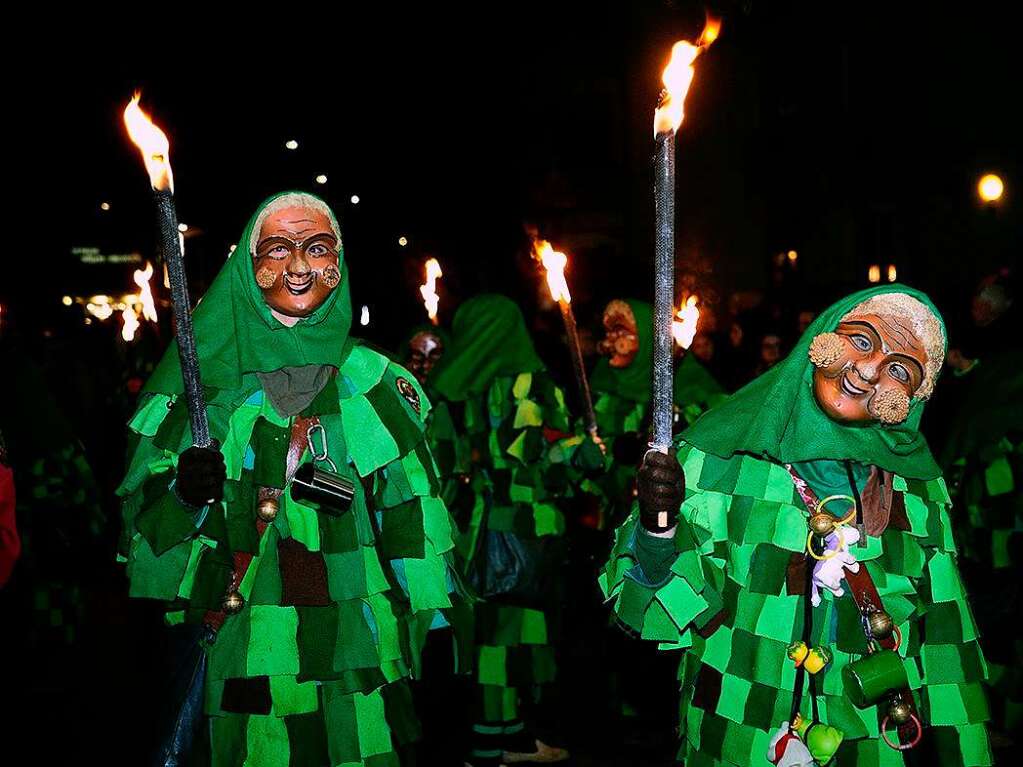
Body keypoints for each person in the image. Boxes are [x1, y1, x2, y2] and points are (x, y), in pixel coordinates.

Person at [117, 192, 463, 765]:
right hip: (246, 632)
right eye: (277, 249)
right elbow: (147, 531)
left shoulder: (378, 380)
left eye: (317, 247)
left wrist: (437, 619)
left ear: (339, 262)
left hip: (361, 641)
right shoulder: (202, 384)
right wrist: (185, 492)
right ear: (249, 267)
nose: (299, 266)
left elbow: (412, 512)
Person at [602, 285, 992, 766]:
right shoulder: (718, 460)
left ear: (914, 398)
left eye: (899, 370)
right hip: (737, 736)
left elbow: (949, 653)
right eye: (864, 341)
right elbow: (650, 616)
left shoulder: (918, 492)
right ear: (823, 336)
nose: (870, 371)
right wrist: (657, 533)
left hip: (871, 740)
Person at [431, 295, 581, 766]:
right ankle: (491, 744)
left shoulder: (448, 388)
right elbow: (532, 456)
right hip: (519, 529)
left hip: (473, 529)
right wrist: (580, 451)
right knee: (505, 637)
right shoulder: (526, 383)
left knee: (501, 636)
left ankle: (509, 734)